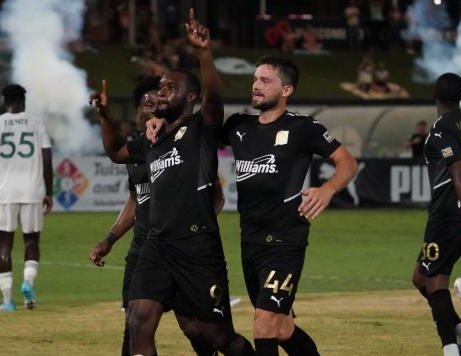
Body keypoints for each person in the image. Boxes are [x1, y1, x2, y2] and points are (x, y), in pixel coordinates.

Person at [149, 55, 358, 355]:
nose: (256, 86)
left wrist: (328, 189)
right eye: (255, 80)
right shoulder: (238, 126)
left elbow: (347, 163)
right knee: (282, 328)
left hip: (285, 242)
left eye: (265, 81)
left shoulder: (303, 127)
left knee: (263, 325)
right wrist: (162, 121)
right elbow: (197, 128)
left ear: (286, 90)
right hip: (250, 243)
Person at [91, 9, 254, 356]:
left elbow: (216, 98)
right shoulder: (152, 138)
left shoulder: (201, 129)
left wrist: (203, 53)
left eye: (170, 87)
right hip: (156, 245)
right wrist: (105, 118)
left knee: (215, 336)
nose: (161, 92)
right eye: (160, 86)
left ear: (190, 97)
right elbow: (117, 153)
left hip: (197, 247)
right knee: (138, 322)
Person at [89, 76, 223, 356]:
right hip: (144, 249)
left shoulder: (184, 142)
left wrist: (194, 225)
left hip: (183, 246)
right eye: (147, 103)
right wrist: (110, 239)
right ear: (139, 112)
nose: (154, 106)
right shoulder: (140, 149)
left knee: (194, 328)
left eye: (159, 100)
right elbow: (137, 199)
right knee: (134, 324)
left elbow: (215, 196)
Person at [411, 73, 461, 356]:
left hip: (448, 213)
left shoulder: (441, 129)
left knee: (435, 282)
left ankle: (453, 350)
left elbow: (458, 171)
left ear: (434, 94)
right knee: (421, 279)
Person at [0, 84, 53, 312]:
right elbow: (48, 160)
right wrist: (49, 192)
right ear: (24, 101)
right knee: (31, 241)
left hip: (4, 192)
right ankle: (28, 283)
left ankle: (7, 300)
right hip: (33, 190)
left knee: (4, 245)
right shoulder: (37, 122)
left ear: (4, 101)